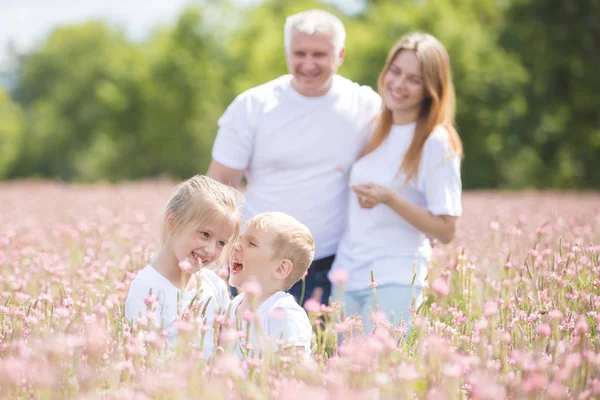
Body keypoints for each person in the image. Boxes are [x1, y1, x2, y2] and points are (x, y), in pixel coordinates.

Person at [207, 9, 381, 306]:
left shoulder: (365, 106)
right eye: (299, 53)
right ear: (287, 53)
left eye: (319, 54)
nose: (308, 64)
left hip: (331, 265)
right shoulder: (252, 106)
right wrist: (212, 253)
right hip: (257, 264)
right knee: (254, 348)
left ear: (340, 54)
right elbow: (221, 183)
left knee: (324, 351)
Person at [329, 33, 463, 333]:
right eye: (396, 71)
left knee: (377, 375)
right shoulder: (375, 127)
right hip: (347, 274)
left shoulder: (435, 141)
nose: (399, 84)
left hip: (395, 277)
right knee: (340, 376)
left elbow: (446, 230)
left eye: (414, 79)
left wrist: (390, 199)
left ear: (432, 88)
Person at [125, 175, 241, 356]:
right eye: (204, 234)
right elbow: (142, 357)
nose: (211, 250)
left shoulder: (215, 285)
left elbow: (228, 343)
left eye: (221, 243)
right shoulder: (147, 286)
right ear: (172, 222)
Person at [227, 212, 315, 357]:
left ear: (280, 268)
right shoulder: (233, 305)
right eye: (239, 240)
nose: (236, 246)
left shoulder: (283, 312)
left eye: (251, 243)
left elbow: (291, 371)